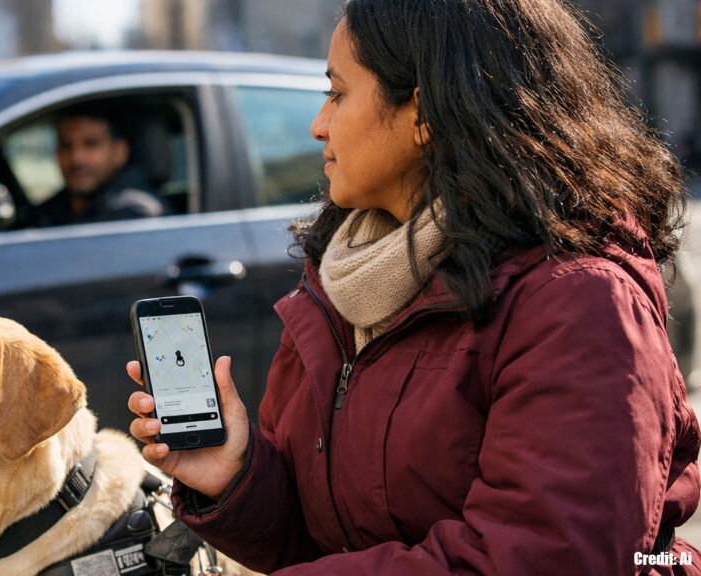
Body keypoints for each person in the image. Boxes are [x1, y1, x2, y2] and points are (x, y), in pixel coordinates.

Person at [126, 0, 701, 574]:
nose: (318, 125)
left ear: (423, 112)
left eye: (338, 92)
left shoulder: (580, 301)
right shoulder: (343, 281)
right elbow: (332, 540)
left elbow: (548, 555)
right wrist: (239, 476)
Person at [37, 103, 170, 226]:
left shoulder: (137, 213)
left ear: (120, 152)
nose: (76, 158)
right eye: (66, 146)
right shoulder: (53, 209)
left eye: (91, 144)